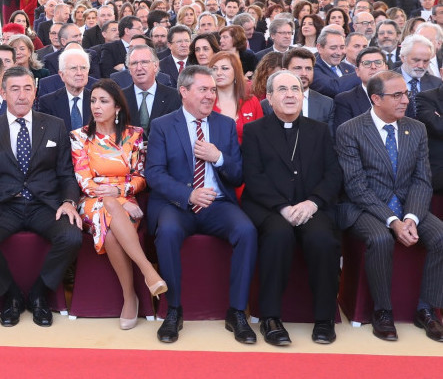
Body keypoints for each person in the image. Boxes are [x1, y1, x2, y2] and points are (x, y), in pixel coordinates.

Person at [145, 65, 257, 344]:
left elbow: (238, 174)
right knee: (168, 232)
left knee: (247, 231)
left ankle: (236, 312)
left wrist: (219, 157)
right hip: (177, 203)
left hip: (218, 204)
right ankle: (173, 310)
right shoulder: (162, 125)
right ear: (184, 92)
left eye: (212, 90)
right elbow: (155, 173)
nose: (210, 96)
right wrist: (188, 194)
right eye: (203, 89)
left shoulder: (224, 125)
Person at [0, 66, 83, 327]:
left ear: (35, 92)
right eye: (15, 89)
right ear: (4, 93)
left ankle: (39, 294)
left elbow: (66, 174)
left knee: (72, 236)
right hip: (4, 206)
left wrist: (68, 202)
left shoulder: (55, 126)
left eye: (27, 88)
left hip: (45, 205)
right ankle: (12, 296)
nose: (21, 95)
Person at [336, 70, 443, 342]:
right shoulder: (350, 130)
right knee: (381, 238)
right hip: (365, 207)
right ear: (375, 99)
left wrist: (410, 217)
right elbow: (356, 186)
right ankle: (382, 311)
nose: (405, 100)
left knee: (440, 235)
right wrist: (392, 221)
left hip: (408, 206)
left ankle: (427, 309)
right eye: (396, 95)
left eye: (406, 93)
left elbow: (422, 180)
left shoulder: (415, 128)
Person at [240, 70, 342, 345]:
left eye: (295, 89)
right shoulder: (254, 131)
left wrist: (313, 202)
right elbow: (253, 176)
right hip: (269, 207)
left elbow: (333, 174)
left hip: (310, 205)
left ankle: (324, 318)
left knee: (323, 239)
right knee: (278, 236)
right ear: (269, 97)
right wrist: (283, 207)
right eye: (282, 89)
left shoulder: (319, 130)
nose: (290, 94)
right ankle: (270, 318)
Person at [71, 79, 167, 331]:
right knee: (111, 208)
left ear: (117, 108)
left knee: (112, 231)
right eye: (93, 101)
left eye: (103, 101)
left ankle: (129, 298)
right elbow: (84, 181)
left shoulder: (134, 135)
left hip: (124, 200)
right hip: (92, 202)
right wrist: (117, 199)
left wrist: (121, 194)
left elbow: (141, 177)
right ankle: (148, 272)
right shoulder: (80, 137)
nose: (96, 106)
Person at [122, 45, 182, 137]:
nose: (139, 68)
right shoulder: (119, 98)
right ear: (129, 69)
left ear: (156, 65)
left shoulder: (174, 96)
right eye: (134, 63)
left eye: (144, 62)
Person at [209, 51, 263, 143]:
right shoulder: (206, 102)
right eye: (214, 69)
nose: (218, 73)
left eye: (225, 68)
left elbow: (261, 136)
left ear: (236, 71)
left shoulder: (252, 101)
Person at [333, 47, 387, 130]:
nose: (373, 67)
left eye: (378, 62)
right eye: (367, 63)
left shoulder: (401, 96)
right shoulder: (345, 100)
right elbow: (345, 135)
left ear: (386, 68)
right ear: (357, 71)